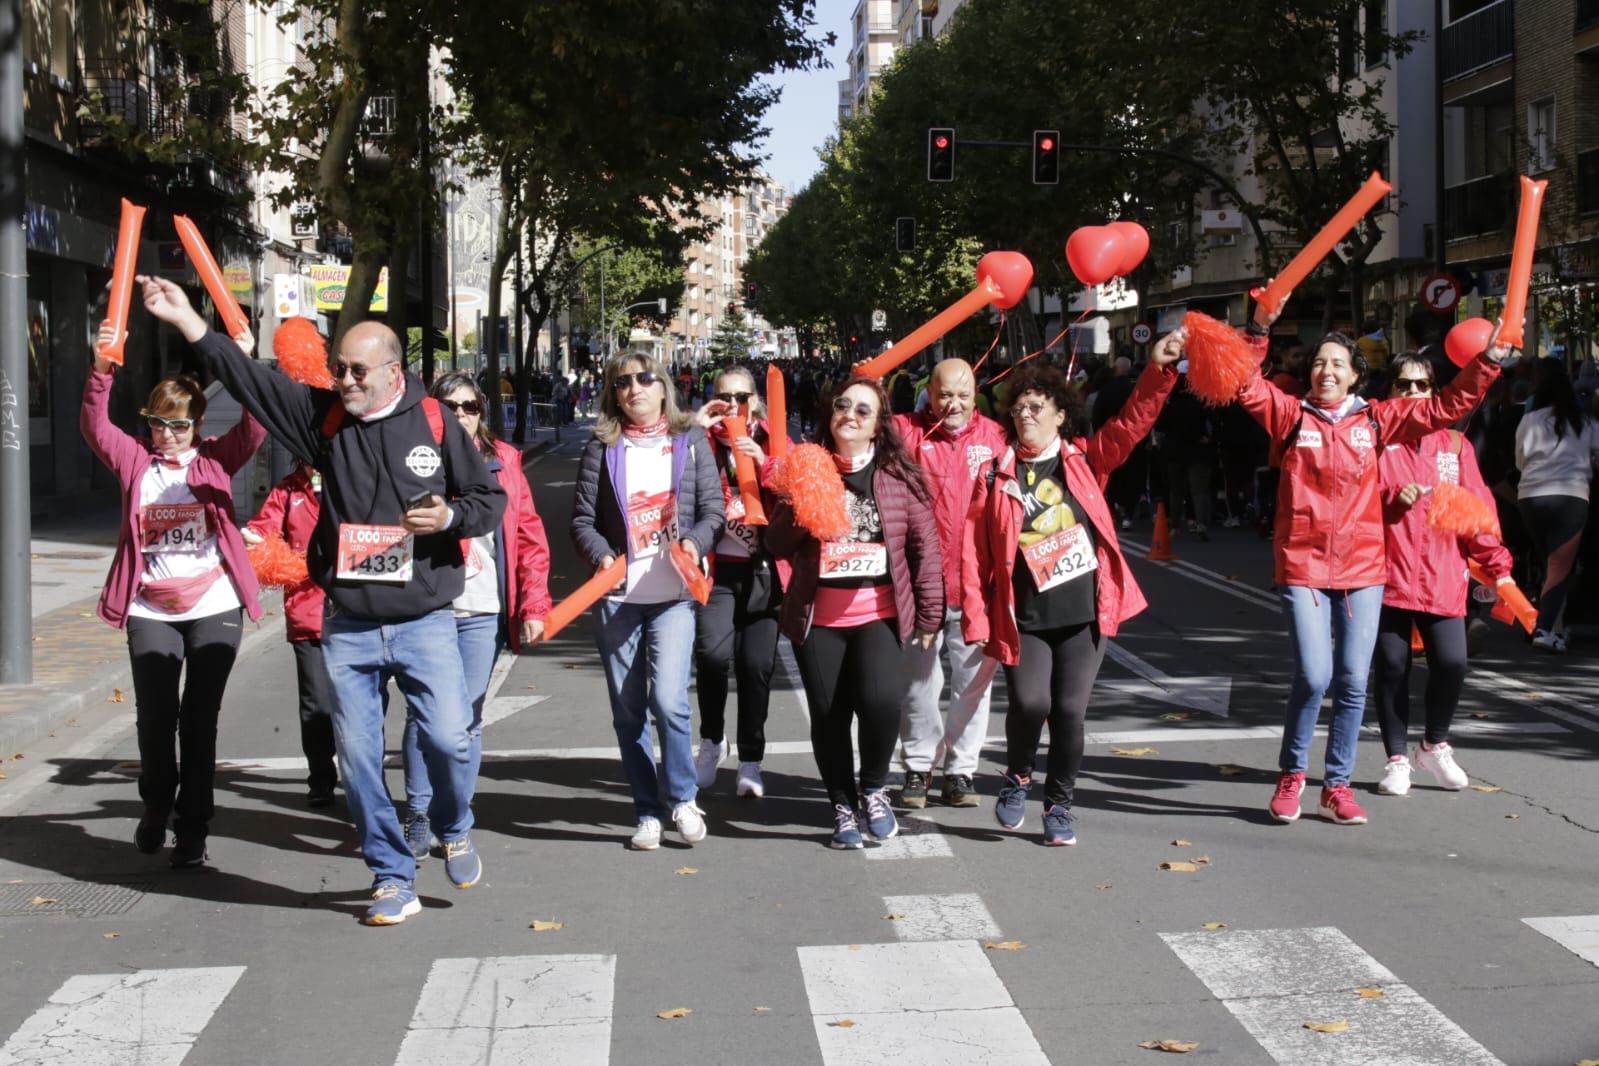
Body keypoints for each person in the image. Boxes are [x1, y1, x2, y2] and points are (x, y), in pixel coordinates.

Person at [134, 274, 506, 926]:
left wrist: (447, 516)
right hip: (350, 624)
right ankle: (391, 877)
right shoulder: (325, 419)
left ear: (393, 372)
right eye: (339, 369)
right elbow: (250, 380)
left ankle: (453, 821)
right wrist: (191, 323)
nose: (346, 380)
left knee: (449, 737)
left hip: (424, 619)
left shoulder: (433, 421)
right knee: (358, 759)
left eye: (358, 371)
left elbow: (488, 501)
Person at [1230, 303, 1509, 828]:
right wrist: (1258, 331)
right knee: (1315, 676)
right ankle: (1292, 775)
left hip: (1363, 570)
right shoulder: (1291, 416)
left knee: (1355, 680)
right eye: (1318, 364)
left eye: (1337, 364)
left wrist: (1489, 362)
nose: (1325, 372)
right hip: (1304, 567)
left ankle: (1336, 786)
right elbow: (1245, 383)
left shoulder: (1378, 419)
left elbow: (1447, 405)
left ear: (1356, 375)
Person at [967, 340, 1180, 846]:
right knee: (1030, 701)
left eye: (1036, 408)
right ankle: (1017, 774)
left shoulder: (1086, 460)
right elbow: (973, 555)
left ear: (1061, 415)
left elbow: (1132, 425)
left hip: (1083, 612)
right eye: (1018, 409)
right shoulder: (995, 474)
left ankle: (1059, 805)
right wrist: (975, 616)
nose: (1026, 416)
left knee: (1068, 712)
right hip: (1027, 615)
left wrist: (1159, 371)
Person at [81, 321, 266, 868]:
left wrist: (243, 363)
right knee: (156, 718)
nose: (167, 435)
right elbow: (95, 425)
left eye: (178, 426)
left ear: (197, 425)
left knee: (198, 720)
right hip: (150, 607)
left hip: (213, 603)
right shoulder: (135, 462)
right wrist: (100, 370)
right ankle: (156, 806)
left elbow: (255, 427)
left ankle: (193, 828)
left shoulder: (215, 460)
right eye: (159, 424)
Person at [767, 376, 943, 849]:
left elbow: (925, 548)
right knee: (829, 715)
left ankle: (874, 789)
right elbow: (776, 544)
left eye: (863, 410)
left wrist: (930, 615)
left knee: (883, 702)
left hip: (879, 615)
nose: (850, 414)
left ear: (877, 426)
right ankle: (842, 806)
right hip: (819, 619)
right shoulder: (808, 468)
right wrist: (802, 501)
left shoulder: (898, 477)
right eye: (843, 405)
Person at [571, 350, 725, 850]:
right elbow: (582, 521)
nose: (634, 388)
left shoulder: (690, 441)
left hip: (674, 594)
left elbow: (713, 511)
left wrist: (695, 545)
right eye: (622, 383)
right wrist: (600, 556)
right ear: (612, 394)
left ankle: (682, 797)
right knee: (629, 711)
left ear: (662, 387)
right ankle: (647, 810)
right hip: (619, 596)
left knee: (670, 701)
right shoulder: (602, 446)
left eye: (643, 379)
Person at [398, 371, 552, 858]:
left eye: (470, 406)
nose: (461, 415)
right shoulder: (410, 460)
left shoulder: (504, 463)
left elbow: (528, 536)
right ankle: (420, 811)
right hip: (426, 606)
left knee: (466, 719)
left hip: (482, 608)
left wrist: (533, 602)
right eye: (451, 406)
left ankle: (455, 816)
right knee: (424, 715)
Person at [1370, 354, 1518, 796]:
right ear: (1390, 391)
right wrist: (1392, 496)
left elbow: (1478, 513)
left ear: (1435, 393)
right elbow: (1352, 501)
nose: (1412, 393)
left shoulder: (1454, 446)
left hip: (1442, 576)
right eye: (1403, 385)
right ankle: (1397, 759)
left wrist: (1497, 569)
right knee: (1392, 667)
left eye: (1421, 386)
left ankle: (1434, 744)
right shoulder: (1374, 440)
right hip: (1386, 575)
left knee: (1453, 662)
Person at [892, 358, 1007, 808]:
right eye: (945, 394)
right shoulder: (905, 433)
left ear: (975, 393)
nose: (953, 404)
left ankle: (960, 770)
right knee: (918, 680)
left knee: (974, 681)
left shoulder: (996, 437)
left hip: (978, 583)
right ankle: (918, 767)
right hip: (921, 581)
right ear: (929, 392)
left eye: (963, 394)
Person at [690, 367, 784, 797]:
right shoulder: (699, 441)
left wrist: (766, 464)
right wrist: (691, 432)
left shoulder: (774, 439)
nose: (734, 405)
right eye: (725, 397)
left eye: (743, 397)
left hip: (763, 570)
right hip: (717, 571)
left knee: (756, 666)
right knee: (711, 656)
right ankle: (712, 740)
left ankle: (751, 759)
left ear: (756, 402)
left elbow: (799, 497)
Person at [242, 463, 337, 808]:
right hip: (308, 611)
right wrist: (254, 541)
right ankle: (321, 777)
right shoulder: (289, 488)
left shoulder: (362, 474)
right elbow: (262, 532)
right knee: (315, 702)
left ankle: (364, 778)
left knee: (362, 701)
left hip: (360, 609)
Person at [1515, 358, 1599, 652]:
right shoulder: (1586, 422)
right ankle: (1545, 630)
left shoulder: (1530, 420)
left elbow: (1520, 459)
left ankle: (1552, 624)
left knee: (1547, 562)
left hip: (1531, 496)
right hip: (1571, 495)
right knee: (1560, 567)